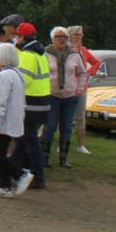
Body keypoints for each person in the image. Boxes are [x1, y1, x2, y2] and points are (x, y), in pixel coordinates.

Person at [0, 43, 33, 198]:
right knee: (0, 153)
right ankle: (4, 187)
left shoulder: (4, 76)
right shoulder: (16, 75)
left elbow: (0, 102)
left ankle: (20, 175)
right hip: (9, 122)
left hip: (2, 124)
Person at [10, 20, 50, 189]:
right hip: (41, 100)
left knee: (29, 140)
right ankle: (11, 169)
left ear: (21, 37)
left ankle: (37, 175)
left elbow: (22, 80)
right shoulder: (40, 52)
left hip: (30, 102)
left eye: (17, 36)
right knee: (22, 140)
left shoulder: (27, 54)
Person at [40, 26, 88, 170]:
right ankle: (45, 157)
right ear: (52, 38)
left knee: (67, 126)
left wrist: (79, 90)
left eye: (64, 37)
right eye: (58, 37)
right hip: (52, 95)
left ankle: (63, 159)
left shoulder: (74, 55)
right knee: (50, 126)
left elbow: (83, 73)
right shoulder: (45, 54)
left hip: (70, 96)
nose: (61, 39)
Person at [67, 25, 100, 155]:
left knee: (80, 117)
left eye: (81, 35)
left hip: (82, 87)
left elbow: (96, 62)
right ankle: (63, 143)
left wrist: (89, 73)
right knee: (66, 117)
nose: (79, 37)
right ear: (70, 35)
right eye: (76, 35)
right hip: (69, 87)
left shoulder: (84, 50)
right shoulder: (66, 49)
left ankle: (81, 145)